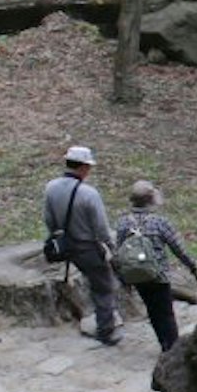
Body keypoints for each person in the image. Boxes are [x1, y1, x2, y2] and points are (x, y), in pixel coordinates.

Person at [109, 180, 197, 352]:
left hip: (136, 275)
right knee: (165, 312)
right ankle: (172, 348)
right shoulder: (159, 222)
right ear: (151, 200)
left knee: (153, 311)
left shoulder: (122, 223)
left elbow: (119, 249)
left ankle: (164, 343)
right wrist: (192, 265)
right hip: (159, 275)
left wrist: (122, 275)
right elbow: (177, 247)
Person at [41, 144, 120, 346]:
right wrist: (112, 248)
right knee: (104, 286)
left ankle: (93, 317)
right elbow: (101, 228)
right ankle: (106, 330)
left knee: (92, 281)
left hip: (68, 247)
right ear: (84, 167)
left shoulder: (51, 187)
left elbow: (49, 219)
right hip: (87, 247)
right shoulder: (89, 194)